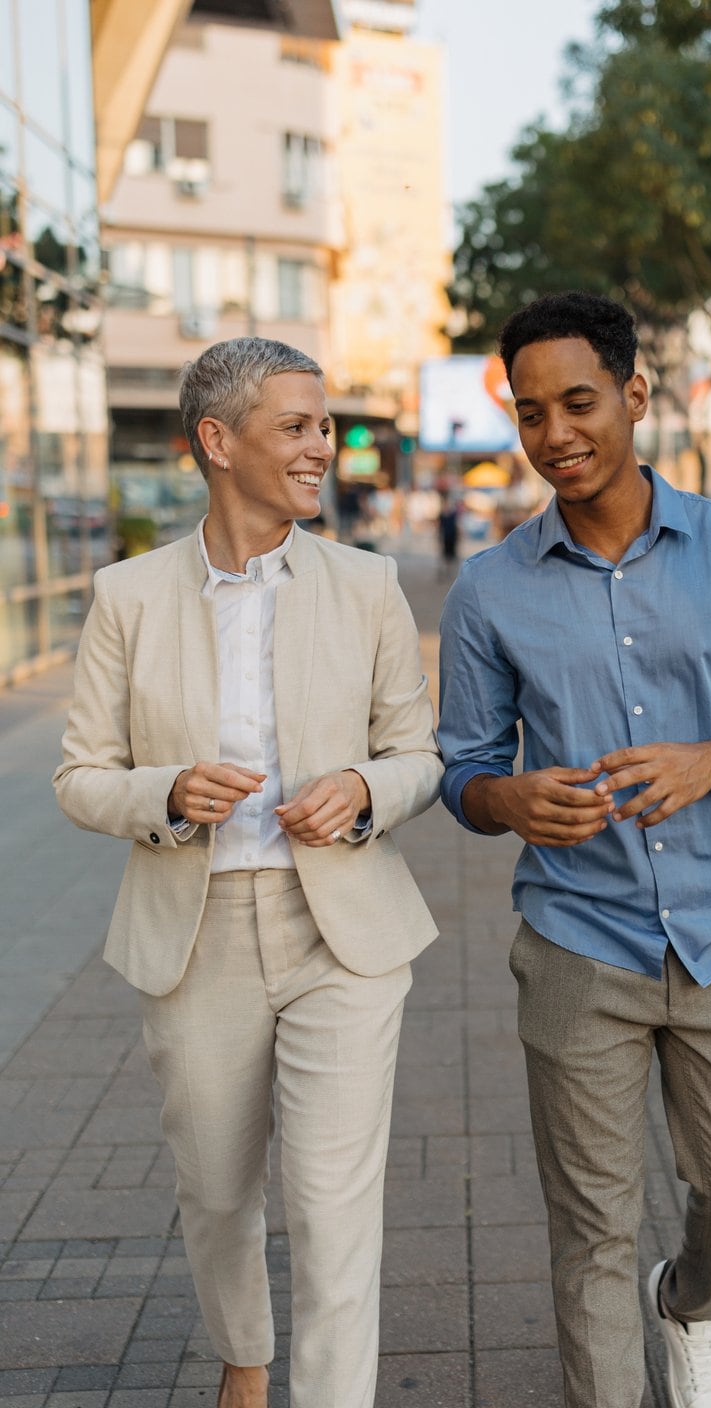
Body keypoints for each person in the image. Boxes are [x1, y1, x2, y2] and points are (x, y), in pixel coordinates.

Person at [437, 291, 711, 1408]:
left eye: (577, 402)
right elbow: (462, 772)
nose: (555, 434)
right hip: (577, 939)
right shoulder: (489, 591)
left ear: (633, 394)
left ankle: (694, 1304)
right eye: (530, 414)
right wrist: (508, 798)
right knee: (591, 1228)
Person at [54, 337, 443, 1408]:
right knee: (218, 1190)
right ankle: (244, 1354)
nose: (323, 445)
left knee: (331, 1199)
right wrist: (169, 792)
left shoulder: (367, 584)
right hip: (197, 931)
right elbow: (82, 778)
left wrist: (365, 790)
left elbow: (420, 753)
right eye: (297, 426)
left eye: (325, 425)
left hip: (344, 935)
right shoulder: (126, 595)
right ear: (217, 442)